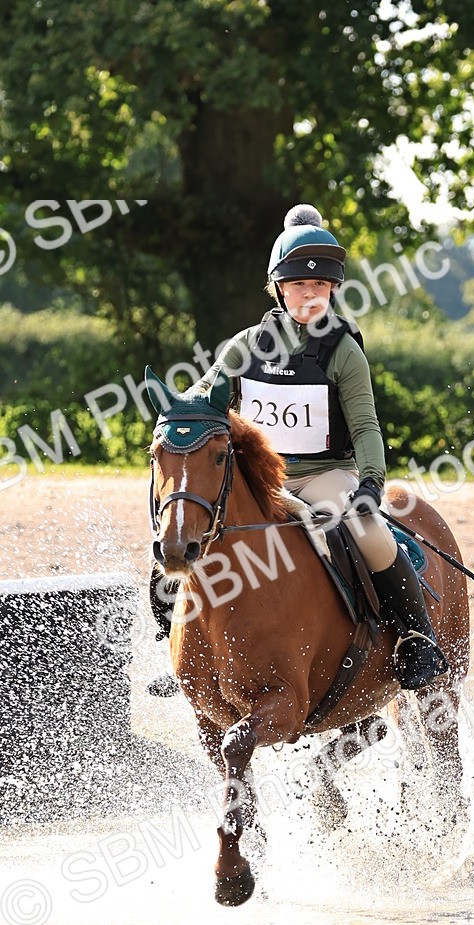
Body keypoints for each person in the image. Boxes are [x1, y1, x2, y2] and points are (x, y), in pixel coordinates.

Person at [148, 204, 448, 696]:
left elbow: (366, 425)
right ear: (279, 289)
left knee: (369, 532)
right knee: (181, 537)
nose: (311, 295)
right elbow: (203, 397)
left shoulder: (343, 352)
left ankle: (414, 639)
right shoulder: (246, 346)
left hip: (324, 475)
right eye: (301, 286)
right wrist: (179, 414)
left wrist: (371, 482)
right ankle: (180, 649)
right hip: (258, 479)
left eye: (321, 287)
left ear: (332, 290)